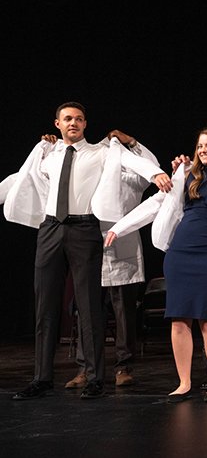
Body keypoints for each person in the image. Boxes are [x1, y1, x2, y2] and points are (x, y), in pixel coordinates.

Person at [3, 102, 170, 401]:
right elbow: (21, 179)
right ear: (57, 123)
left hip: (84, 229)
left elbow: (133, 164)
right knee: (45, 305)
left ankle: (95, 378)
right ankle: (41, 378)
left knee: (89, 304)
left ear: (85, 124)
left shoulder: (101, 152)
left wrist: (156, 173)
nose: (73, 123)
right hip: (51, 229)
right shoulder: (47, 154)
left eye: (79, 119)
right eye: (68, 119)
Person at [106, 127, 207, 403]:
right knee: (179, 318)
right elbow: (156, 203)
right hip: (181, 250)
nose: (203, 150)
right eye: (200, 146)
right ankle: (184, 382)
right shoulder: (186, 174)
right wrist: (120, 227)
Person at [66, 134, 161, 390]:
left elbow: (150, 164)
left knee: (124, 314)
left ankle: (123, 367)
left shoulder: (132, 176)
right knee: (87, 312)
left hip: (123, 248)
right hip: (91, 247)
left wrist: (132, 143)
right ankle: (85, 369)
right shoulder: (91, 172)